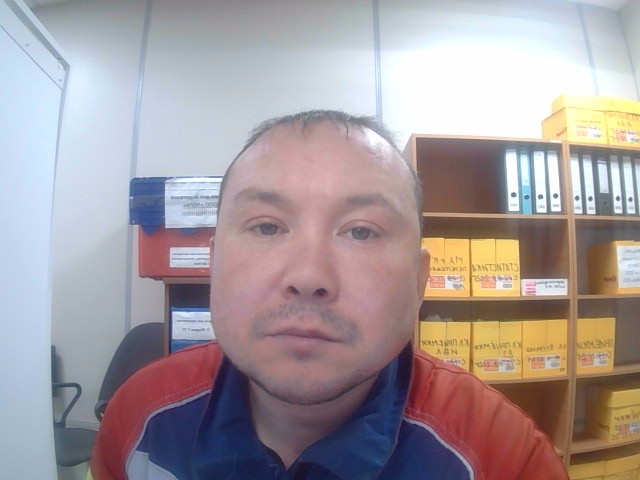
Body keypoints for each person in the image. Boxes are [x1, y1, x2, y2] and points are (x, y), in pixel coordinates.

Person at [89, 110, 569, 479]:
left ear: (419, 281)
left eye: (361, 231)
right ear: (213, 263)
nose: (308, 275)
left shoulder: (503, 458)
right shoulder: (137, 422)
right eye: (267, 226)